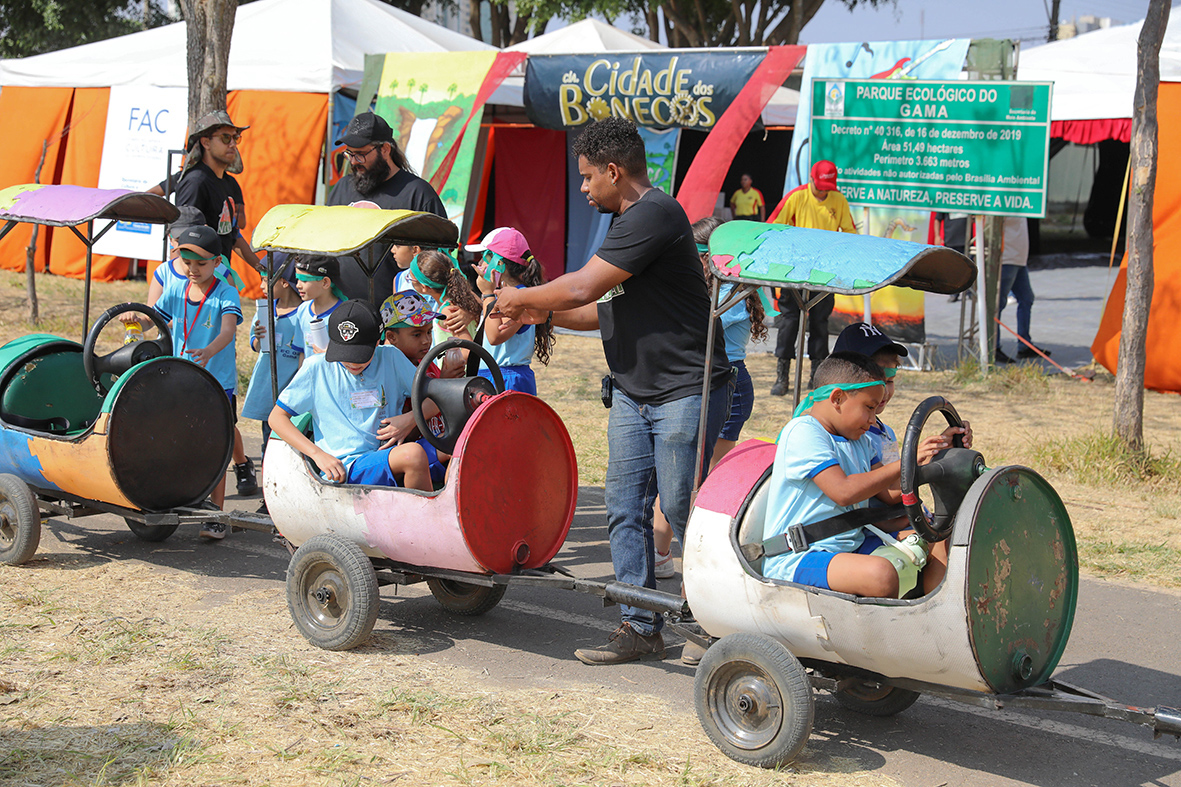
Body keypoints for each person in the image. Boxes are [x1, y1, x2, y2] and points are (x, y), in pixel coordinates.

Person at [495, 117, 732, 665]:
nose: (582, 189)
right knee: (624, 508)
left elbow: (581, 285)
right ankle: (639, 626)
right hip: (633, 391)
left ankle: (714, 624)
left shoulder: (654, 214)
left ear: (614, 171)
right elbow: (597, 307)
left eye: (586, 178)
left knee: (679, 508)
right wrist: (532, 311)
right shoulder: (627, 220)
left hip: (683, 389)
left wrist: (521, 295)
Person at [761, 353, 951, 597]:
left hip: (850, 544)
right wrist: (908, 459)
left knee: (938, 536)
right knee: (880, 575)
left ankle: (934, 621)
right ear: (837, 398)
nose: (873, 420)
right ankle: (894, 631)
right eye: (869, 408)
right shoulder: (804, 432)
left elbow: (891, 493)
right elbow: (844, 491)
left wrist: (934, 455)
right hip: (801, 555)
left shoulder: (858, 441)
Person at [652, 216, 766, 585]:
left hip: (723, 383)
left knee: (697, 479)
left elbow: (695, 333)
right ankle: (661, 554)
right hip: (708, 381)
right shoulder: (717, 286)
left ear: (706, 257)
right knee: (685, 475)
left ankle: (691, 562)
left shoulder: (727, 291)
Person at [268, 300, 432, 491]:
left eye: (361, 355)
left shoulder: (391, 357)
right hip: (346, 466)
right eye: (346, 354)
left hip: (388, 453)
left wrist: (410, 419)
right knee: (412, 454)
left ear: (377, 342)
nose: (353, 363)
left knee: (453, 451)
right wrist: (317, 454)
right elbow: (276, 418)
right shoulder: (316, 367)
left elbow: (436, 398)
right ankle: (426, 519)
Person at [153, 226, 244, 536]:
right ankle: (179, 500)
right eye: (187, 262)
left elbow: (229, 331)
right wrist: (134, 317)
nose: (192, 270)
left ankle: (216, 515)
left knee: (216, 447)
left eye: (200, 264)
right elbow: (155, 317)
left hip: (216, 382)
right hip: (181, 379)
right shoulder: (177, 289)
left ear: (217, 262)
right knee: (179, 441)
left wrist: (208, 351)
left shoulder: (225, 293)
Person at [327, 112, 447, 303]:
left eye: (361, 154)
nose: (353, 161)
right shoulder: (343, 187)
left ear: (384, 149)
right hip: (342, 308)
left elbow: (440, 260)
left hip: (401, 314)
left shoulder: (417, 193)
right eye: (349, 153)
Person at [831, 321, 972, 480]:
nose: (884, 391)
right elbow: (882, 490)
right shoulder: (852, 434)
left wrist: (937, 450)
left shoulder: (886, 432)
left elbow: (897, 482)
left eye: (890, 381)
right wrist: (911, 458)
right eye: (878, 383)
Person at [768, 160, 856, 396]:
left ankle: (817, 377)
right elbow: (774, 226)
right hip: (795, 273)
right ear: (811, 178)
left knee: (820, 324)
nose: (824, 191)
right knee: (789, 322)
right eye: (820, 186)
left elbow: (850, 233)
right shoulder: (796, 197)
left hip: (824, 275)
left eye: (828, 186)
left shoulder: (839, 200)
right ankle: (782, 376)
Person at [465, 227, 556, 395]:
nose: (479, 264)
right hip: (492, 375)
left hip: (507, 380)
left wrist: (487, 293)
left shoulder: (519, 297)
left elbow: (495, 336)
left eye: (484, 258)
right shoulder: (505, 295)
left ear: (498, 263)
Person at [381, 290, 452, 488]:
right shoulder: (389, 371)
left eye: (429, 332)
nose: (426, 340)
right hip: (416, 451)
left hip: (436, 441)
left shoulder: (426, 363)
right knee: (458, 446)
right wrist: (445, 384)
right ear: (391, 337)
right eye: (417, 334)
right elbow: (405, 432)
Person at [174, 110, 260, 272]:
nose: (233, 144)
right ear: (206, 143)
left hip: (219, 273)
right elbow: (182, 238)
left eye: (236, 138)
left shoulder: (230, 184)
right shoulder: (196, 182)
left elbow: (233, 236)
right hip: (198, 278)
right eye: (226, 138)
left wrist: (263, 270)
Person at [241, 256, 304, 454]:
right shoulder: (265, 309)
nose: (260, 285)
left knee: (289, 445)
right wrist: (259, 338)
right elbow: (256, 346)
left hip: (291, 392)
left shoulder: (305, 312)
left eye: (264, 279)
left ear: (284, 282)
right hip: (267, 388)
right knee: (267, 441)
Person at [995, 216, 1049, 363]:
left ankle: (1024, 345)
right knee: (997, 305)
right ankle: (993, 347)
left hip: (1019, 259)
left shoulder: (1021, 200)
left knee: (1027, 298)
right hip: (1007, 259)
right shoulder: (1004, 200)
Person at [407, 250, 481, 347]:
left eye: (411, 279)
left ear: (424, 287)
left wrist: (448, 361)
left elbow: (468, 350)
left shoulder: (448, 311)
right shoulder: (467, 296)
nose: (409, 281)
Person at [293, 256, 346, 355]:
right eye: (297, 279)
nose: (298, 285)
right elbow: (302, 352)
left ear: (325, 282)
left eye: (304, 280)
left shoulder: (344, 314)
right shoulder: (302, 310)